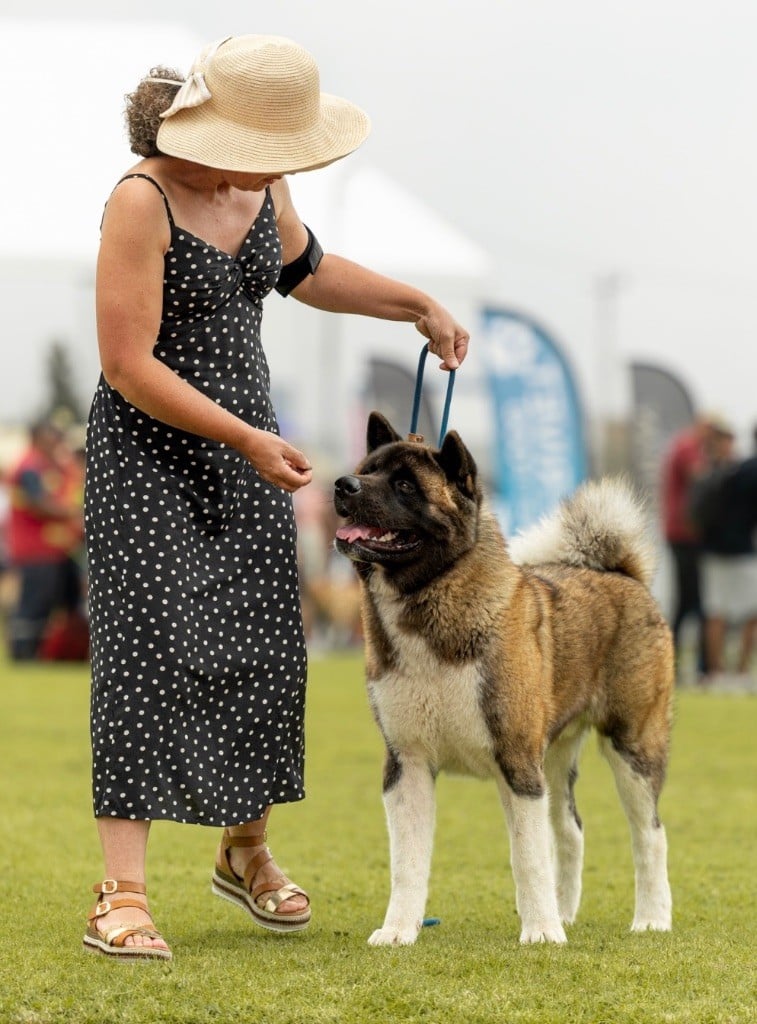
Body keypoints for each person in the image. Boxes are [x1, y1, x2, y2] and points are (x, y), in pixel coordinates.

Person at [83, 33, 470, 961]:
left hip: (252, 452)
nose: (270, 164)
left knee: (262, 643)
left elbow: (305, 271)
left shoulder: (258, 185)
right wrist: (243, 436)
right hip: (153, 456)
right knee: (148, 654)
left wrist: (413, 302)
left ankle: (246, 852)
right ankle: (122, 895)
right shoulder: (141, 202)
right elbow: (126, 362)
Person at [5, 419, 84, 660]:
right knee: (34, 605)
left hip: (56, 550)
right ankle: (23, 654)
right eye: (52, 436)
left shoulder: (48, 466)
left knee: (61, 603)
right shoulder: (29, 466)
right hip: (35, 550)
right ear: (38, 438)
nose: (56, 442)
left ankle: (58, 652)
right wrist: (74, 513)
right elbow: (38, 505)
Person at [659, 413, 729, 680]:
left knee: (691, 602)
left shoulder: (685, 446)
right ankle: (692, 664)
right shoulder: (688, 448)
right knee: (692, 602)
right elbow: (701, 477)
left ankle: (682, 663)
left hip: (684, 535)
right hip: (684, 535)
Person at [694, 425, 757, 683]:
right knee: (750, 613)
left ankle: (717, 672)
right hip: (741, 550)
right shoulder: (748, 470)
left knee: (716, 611)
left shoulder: (718, 471)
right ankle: (739, 671)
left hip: (712, 549)